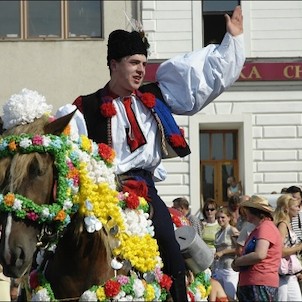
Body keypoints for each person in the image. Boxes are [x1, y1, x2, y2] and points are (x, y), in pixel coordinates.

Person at [70, 6, 244, 301]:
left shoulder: (156, 96)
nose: (141, 70)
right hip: (104, 192)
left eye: (143, 63)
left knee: (170, 248)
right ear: (113, 64)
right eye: (133, 62)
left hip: (146, 189)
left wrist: (232, 42)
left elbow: (202, 80)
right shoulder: (84, 107)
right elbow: (67, 154)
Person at [231, 195, 282, 301]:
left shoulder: (266, 227)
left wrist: (237, 262)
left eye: (246, 211)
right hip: (252, 282)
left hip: (260, 283)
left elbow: (259, 254)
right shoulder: (258, 229)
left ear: (253, 211)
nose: (244, 214)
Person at [273, 194, 302, 301]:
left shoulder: (288, 224)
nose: (298, 209)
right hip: (282, 274)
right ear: (286, 208)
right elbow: (279, 251)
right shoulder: (282, 225)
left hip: (290, 274)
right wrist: (298, 248)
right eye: (296, 206)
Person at [213, 207, 239, 300]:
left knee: (230, 296)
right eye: (218, 218)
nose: (220, 220)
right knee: (221, 297)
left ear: (229, 218)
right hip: (219, 267)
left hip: (229, 268)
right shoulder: (218, 232)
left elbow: (239, 249)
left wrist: (223, 252)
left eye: (223, 217)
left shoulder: (232, 230)